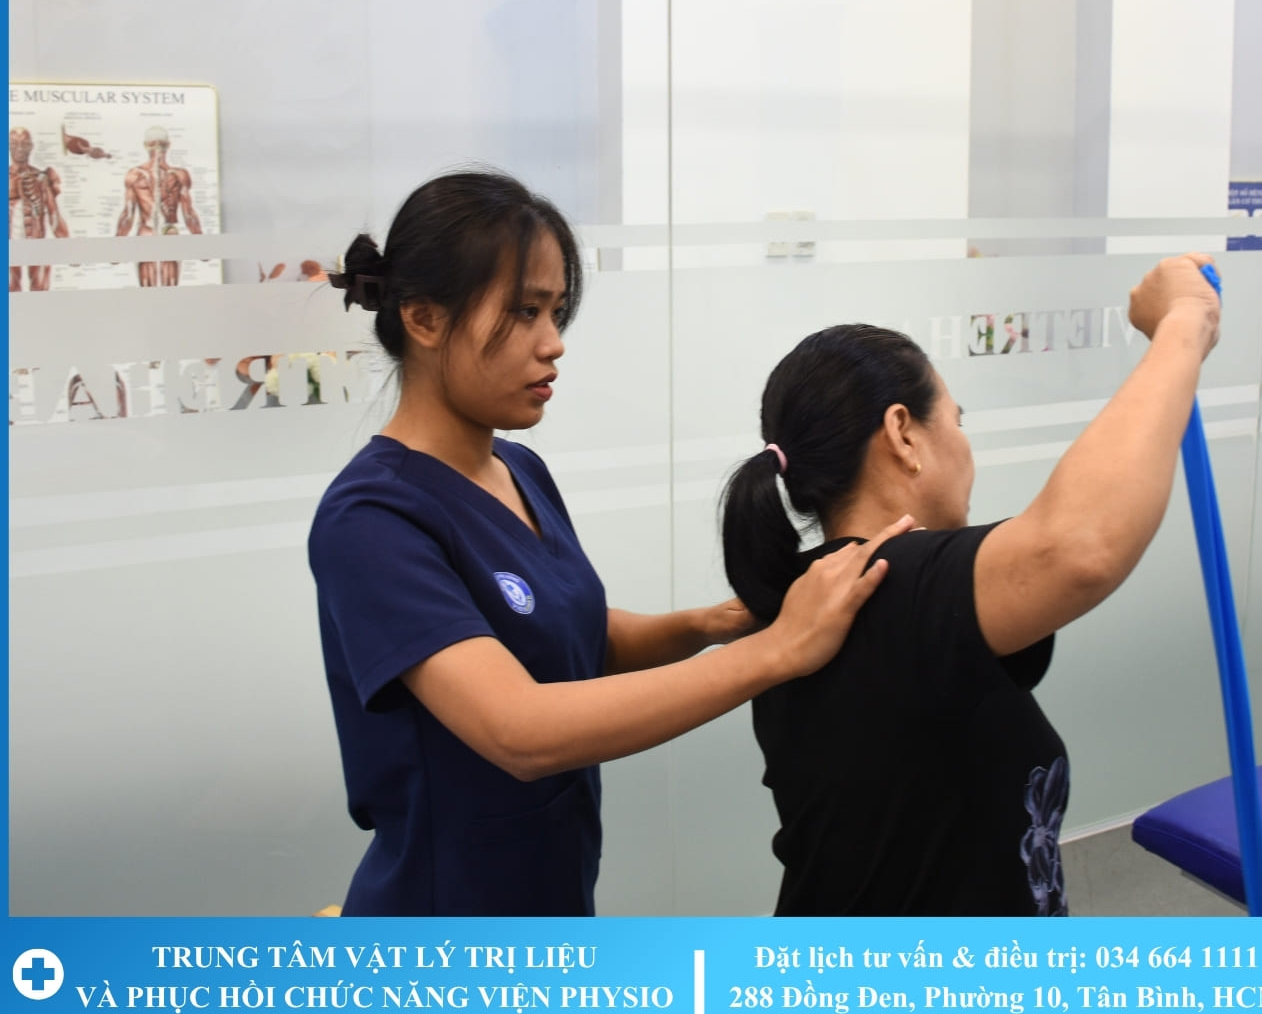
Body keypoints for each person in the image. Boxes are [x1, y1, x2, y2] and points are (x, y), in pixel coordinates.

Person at [308, 169, 911, 917]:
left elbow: (569, 635)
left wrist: (714, 623)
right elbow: (518, 728)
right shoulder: (372, 519)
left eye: (556, 311)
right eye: (524, 312)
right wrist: (779, 651)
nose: (553, 344)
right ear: (425, 319)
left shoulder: (518, 471)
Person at [719, 255, 1222, 916]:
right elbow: (1078, 548)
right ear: (903, 433)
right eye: (957, 421)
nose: (965, 446)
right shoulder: (890, 585)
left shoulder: (818, 591)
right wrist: (1184, 322)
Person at [116, 125, 200, 287]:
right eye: (155, 144)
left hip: (151, 234)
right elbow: (189, 214)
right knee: (167, 290)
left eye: (158, 144)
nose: (157, 149)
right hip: (166, 234)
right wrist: (201, 244)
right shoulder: (179, 175)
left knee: (153, 290)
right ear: (168, 145)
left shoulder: (136, 175)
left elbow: (128, 215)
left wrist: (117, 246)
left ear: (145, 145)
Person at [9, 126, 68, 292]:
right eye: (14, 144)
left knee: (40, 291)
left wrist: (68, 246)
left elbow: (54, 214)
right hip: (8, 245)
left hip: (37, 243)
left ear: (31, 146)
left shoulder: (41, 178)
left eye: (24, 144)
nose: (19, 148)